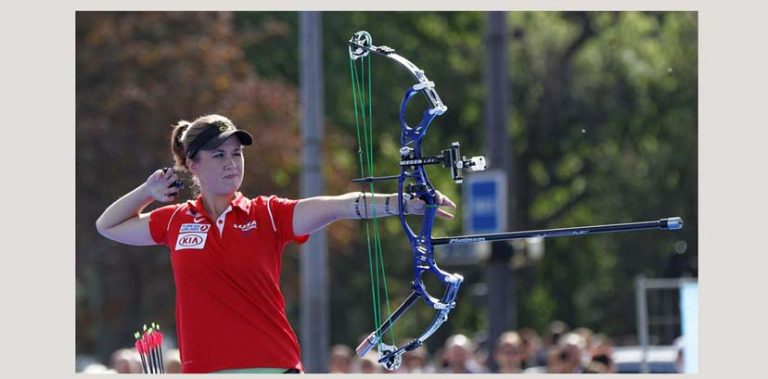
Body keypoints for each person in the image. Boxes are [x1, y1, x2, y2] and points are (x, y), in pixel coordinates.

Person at [95, 114, 456, 374]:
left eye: (236, 154)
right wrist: (148, 192)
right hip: (203, 370)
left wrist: (407, 202)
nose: (231, 163)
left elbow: (340, 205)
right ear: (192, 164)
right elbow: (108, 225)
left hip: (274, 366)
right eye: (218, 155)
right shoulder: (175, 220)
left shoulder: (267, 213)